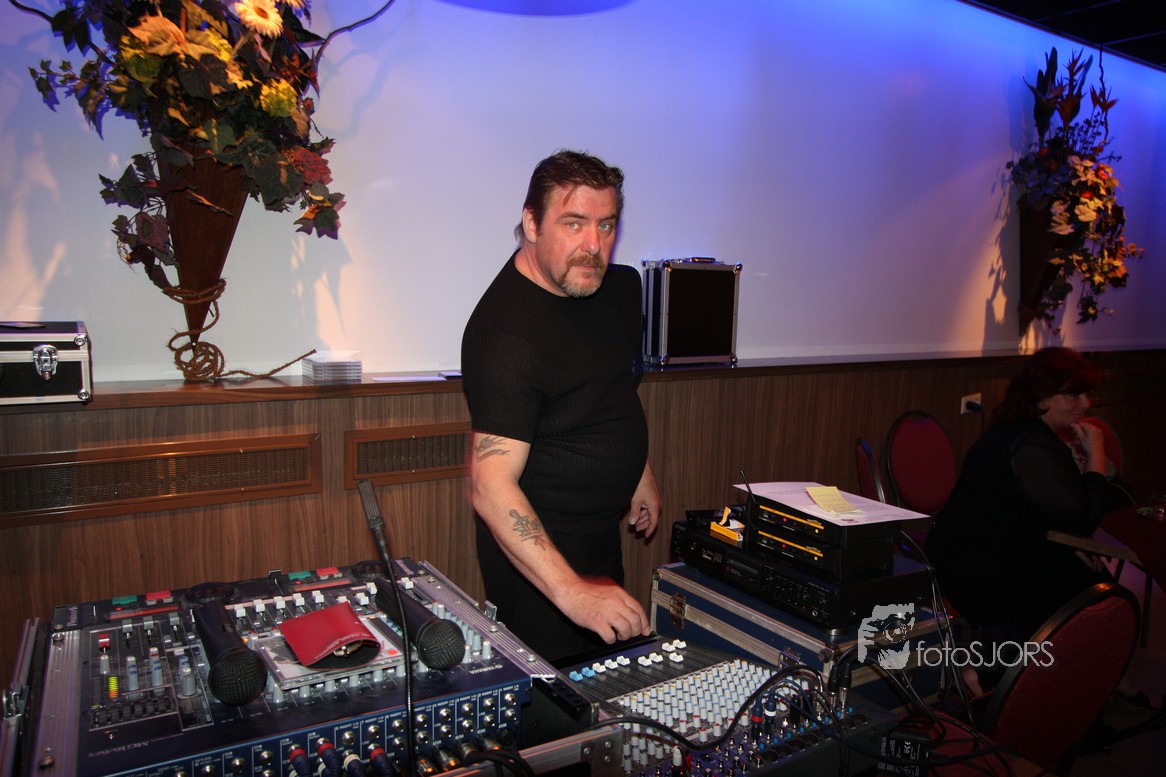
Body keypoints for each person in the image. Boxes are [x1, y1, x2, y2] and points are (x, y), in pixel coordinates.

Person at [460, 150, 661, 663]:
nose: (593, 245)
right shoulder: (505, 336)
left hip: (601, 537)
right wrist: (572, 592)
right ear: (531, 223)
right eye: (574, 224)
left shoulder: (616, 288)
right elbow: (490, 485)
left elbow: (613, 388)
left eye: (605, 225)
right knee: (560, 696)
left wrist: (638, 470)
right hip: (538, 564)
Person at [925, 347, 1113, 660]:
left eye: (1086, 394)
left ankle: (1057, 670)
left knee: (1091, 578)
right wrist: (1097, 457)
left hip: (984, 551)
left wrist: (1071, 540)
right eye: (1074, 395)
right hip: (978, 571)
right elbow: (1084, 517)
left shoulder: (1021, 432)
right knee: (1095, 592)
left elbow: (1037, 511)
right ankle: (1001, 672)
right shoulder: (1032, 446)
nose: (1086, 404)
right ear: (1042, 397)